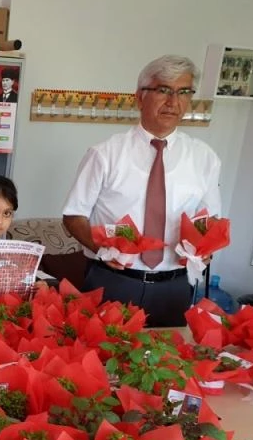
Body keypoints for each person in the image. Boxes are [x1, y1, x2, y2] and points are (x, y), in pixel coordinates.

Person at [62, 55, 221, 327]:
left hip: (174, 286)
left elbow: (210, 219)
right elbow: (73, 215)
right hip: (114, 280)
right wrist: (102, 250)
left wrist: (206, 248)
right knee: (97, 351)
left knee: (169, 354)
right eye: (163, 90)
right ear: (139, 97)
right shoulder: (105, 154)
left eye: (183, 92)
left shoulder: (204, 158)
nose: (173, 101)